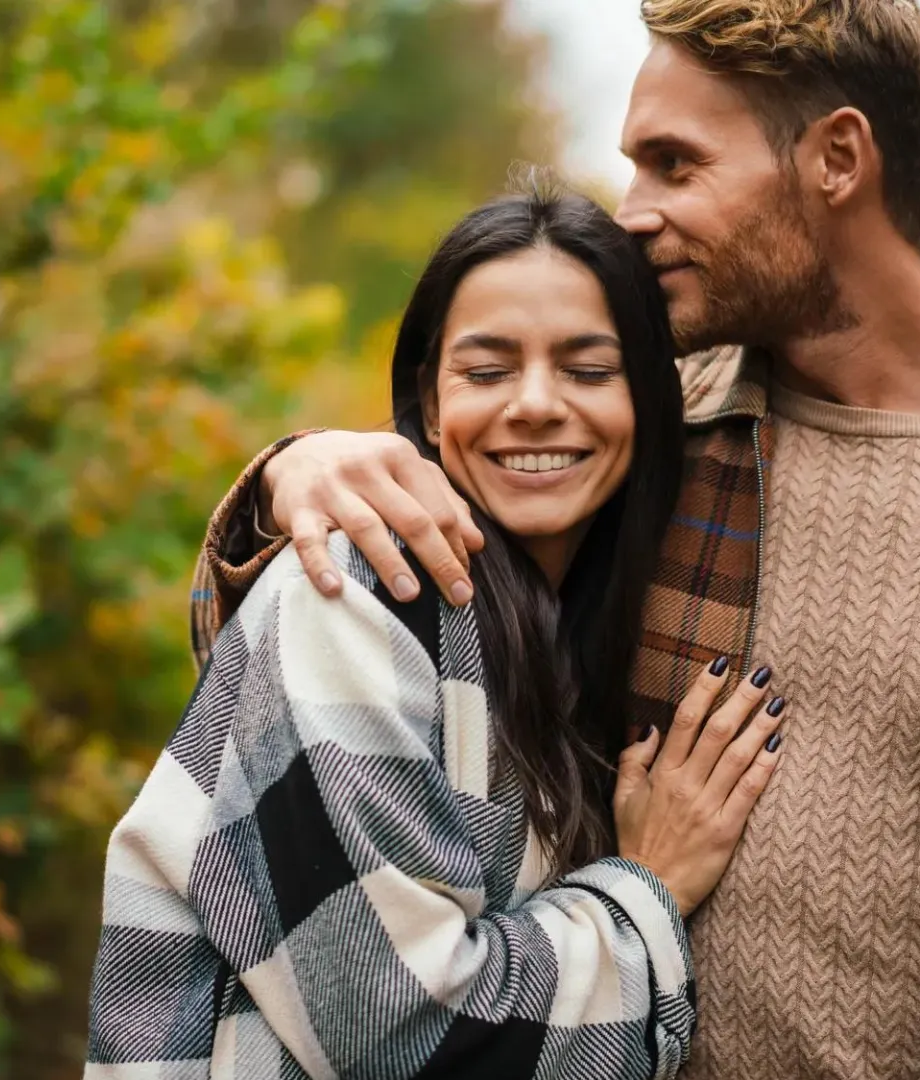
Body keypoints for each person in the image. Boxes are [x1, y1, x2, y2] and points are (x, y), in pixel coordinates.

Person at [185, 2, 920, 1078]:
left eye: (675, 164)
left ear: (836, 159)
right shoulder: (644, 444)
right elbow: (321, 668)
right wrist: (293, 473)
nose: (630, 207)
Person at [87, 180, 794, 1079]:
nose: (536, 403)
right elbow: (405, 1035)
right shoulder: (357, 590)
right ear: (428, 391)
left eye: (588, 368)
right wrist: (647, 889)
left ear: (651, 401)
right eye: (487, 370)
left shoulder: (567, 633)